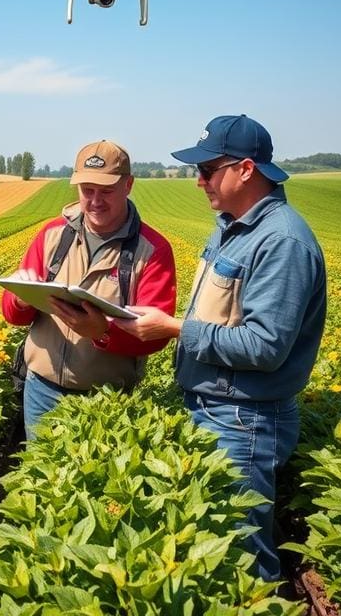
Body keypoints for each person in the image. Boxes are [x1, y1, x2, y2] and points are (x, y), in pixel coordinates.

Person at [116, 114, 327, 582]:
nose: (198, 182)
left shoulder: (282, 241)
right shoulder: (234, 226)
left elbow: (264, 346)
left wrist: (173, 330)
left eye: (208, 170)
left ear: (246, 169)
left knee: (243, 554)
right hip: (216, 409)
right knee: (218, 543)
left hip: (243, 421)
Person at [0, 140, 177, 438]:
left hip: (106, 401)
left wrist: (103, 333)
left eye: (106, 191)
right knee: (38, 481)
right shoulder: (52, 234)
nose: (95, 201)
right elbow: (12, 314)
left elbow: (154, 338)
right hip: (41, 390)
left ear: (128, 185)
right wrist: (19, 298)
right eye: (87, 190)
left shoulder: (152, 250)